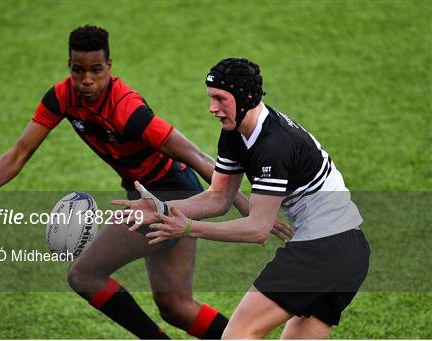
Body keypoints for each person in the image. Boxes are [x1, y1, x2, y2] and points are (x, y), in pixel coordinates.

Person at [0, 27, 293, 339]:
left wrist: (247, 206)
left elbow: (197, 157)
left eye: (96, 70)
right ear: (70, 66)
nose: (86, 79)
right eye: (78, 70)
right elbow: (19, 151)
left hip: (169, 193)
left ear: (109, 66)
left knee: (84, 275)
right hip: (146, 192)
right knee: (176, 307)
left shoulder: (126, 110)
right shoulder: (61, 97)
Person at [113, 58, 370, 339]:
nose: (213, 108)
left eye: (221, 99)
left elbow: (257, 229)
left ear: (245, 97)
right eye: (211, 98)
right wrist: (161, 208)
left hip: (323, 250)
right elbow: (218, 197)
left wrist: (188, 227)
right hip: (349, 253)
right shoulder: (235, 134)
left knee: (237, 335)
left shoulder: (274, 145)